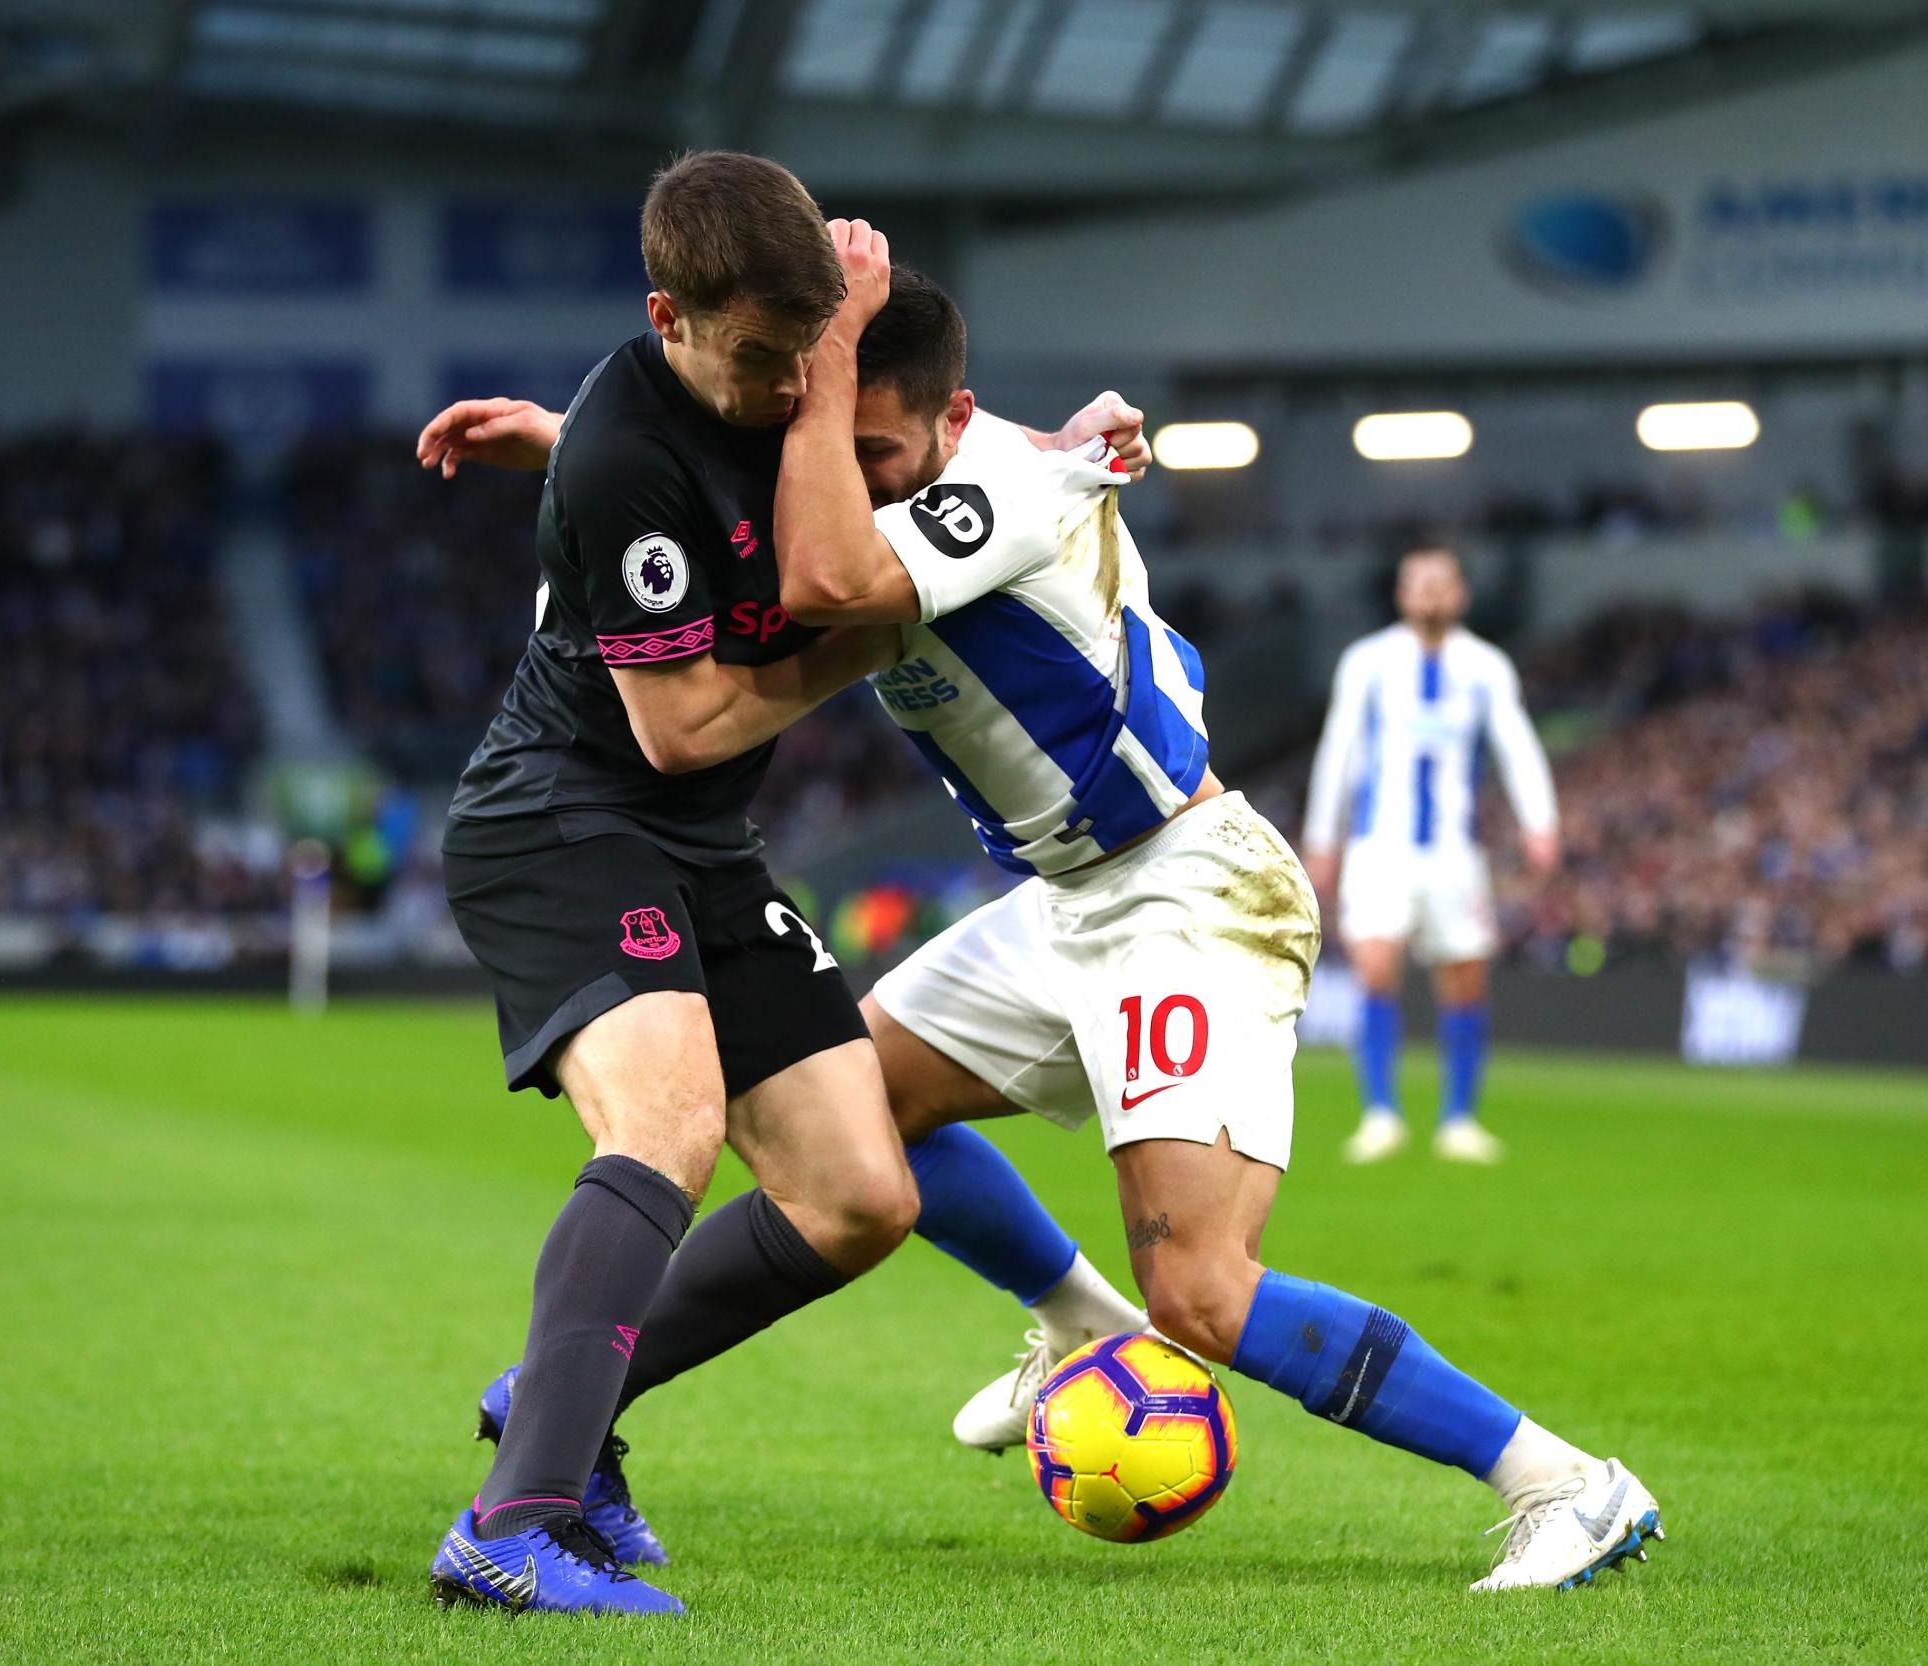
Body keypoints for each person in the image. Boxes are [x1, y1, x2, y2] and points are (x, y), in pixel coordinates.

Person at [438, 233, 1664, 1594]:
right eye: (833, 447)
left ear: (953, 421)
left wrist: (816, 380)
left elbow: (819, 579)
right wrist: (574, 444)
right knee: (846, 1113)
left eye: (878, 450)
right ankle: (1046, 1324)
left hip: (1188, 889)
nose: (849, 479)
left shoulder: (1015, 483)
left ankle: (1562, 1481)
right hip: (1066, 895)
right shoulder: (892, 454)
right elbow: (753, 489)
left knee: (1198, 1292)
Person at [419, 154, 1143, 1618]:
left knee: (859, 1189)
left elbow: (832, 446)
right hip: (566, 812)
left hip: (699, 843)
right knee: (671, 1123)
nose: (781, 391)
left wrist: (1036, 441)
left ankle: (554, 1414)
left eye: (800, 357)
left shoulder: (788, 370)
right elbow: (681, 723)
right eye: (754, 359)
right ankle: (516, 1520)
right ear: (665, 313)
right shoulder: (626, 445)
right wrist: (859, 639)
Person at [1300, 548, 1560, 1165]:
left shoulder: (1486, 666)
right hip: (1378, 846)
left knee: (1465, 981)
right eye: (1420, 584)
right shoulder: (1368, 662)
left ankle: (1459, 1120)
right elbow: (1338, 748)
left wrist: (1540, 822)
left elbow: (1516, 744)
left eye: (1442, 584)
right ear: (1402, 595)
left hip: (1452, 850)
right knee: (1374, 968)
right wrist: (1321, 837)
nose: (1431, 595)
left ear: (1461, 594)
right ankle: (1381, 1113)